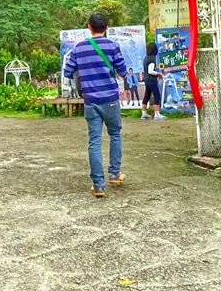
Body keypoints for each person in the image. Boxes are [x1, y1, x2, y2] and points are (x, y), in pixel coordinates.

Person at [63, 12, 127, 198]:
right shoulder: (113, 46)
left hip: (91, 101)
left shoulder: (78, 48)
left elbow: (68, 72)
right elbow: (122, 71)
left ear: (89, 27)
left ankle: (98, 185)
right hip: (111, 100)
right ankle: (115, 174)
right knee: (115, 134)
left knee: (94, 141)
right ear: (107, 28)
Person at [141, 42, 167, 120]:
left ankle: (144, 113)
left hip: (146, 80)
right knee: (157, 95)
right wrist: (159, 74)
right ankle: (157, 114)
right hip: (152, 80)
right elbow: (150, 71)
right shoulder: (152, 59)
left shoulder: (146, 58)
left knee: (147, 96)